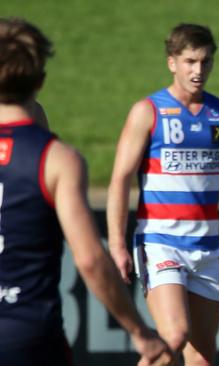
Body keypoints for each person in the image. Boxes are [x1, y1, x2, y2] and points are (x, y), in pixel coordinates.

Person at [106, 23, 219, 365]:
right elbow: (120, 180)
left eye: (205, 62)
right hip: (160, 243)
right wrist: (116, 244)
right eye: (189, 61)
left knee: (201, 358)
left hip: (206, 247)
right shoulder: (149, 111)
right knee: (175, 335)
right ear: (172, 62)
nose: (198, 70)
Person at [0, 18, 172, 366]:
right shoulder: (57, 160)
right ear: (40, 80)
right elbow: (91, 260)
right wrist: (141, 333)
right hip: (28, 337)